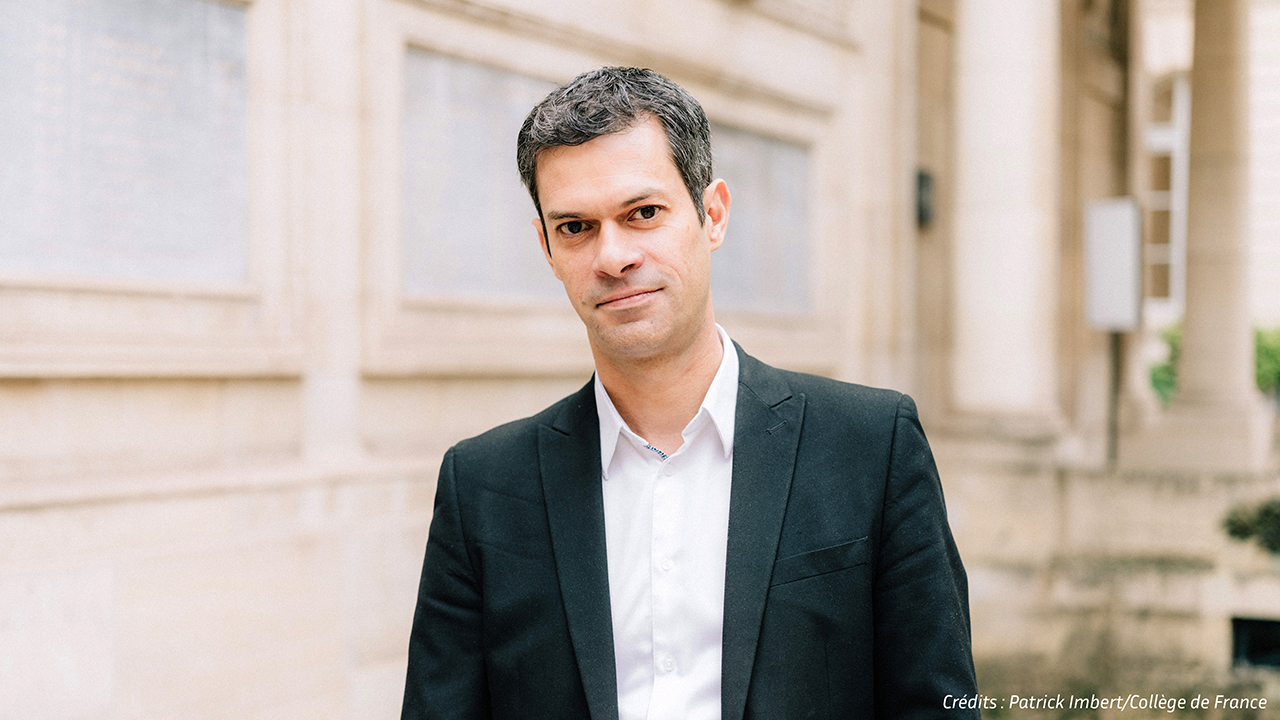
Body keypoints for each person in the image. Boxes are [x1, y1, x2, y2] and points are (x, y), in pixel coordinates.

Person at [401, 66, 978, 720]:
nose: (613, 256)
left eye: (642, 213)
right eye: (575, 227)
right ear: (546, 247)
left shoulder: (871, 449)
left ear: (713, 214)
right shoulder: (480, 487)